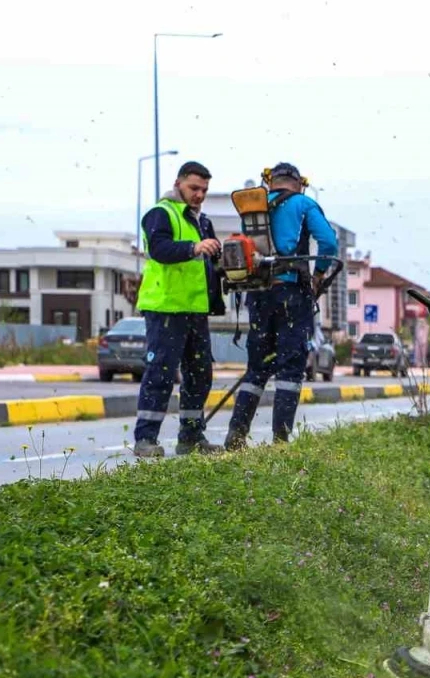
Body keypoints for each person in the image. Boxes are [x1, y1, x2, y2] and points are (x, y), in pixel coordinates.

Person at [224, 163, 338, 450]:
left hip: (259, 293)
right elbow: (328, 242)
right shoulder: (303, 203)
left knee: (257, 367)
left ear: (271, 182)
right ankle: (280, 440)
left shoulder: (254, 207)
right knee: (290, 366)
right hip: (292, 295)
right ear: (298, 183)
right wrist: (320, 272)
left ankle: (236, 434)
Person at [132, 160, 225, 458]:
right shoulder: (161, 213)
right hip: (166, 307)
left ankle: (191, 436)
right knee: (160, 371)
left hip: (195, 309)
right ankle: (145, 438)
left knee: (200, 373)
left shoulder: (202, 221)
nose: (199, 194)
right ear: (179, 183)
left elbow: (206, 268)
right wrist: (193, 248)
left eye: (204, 190)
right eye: (194, 188)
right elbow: (159, 250)